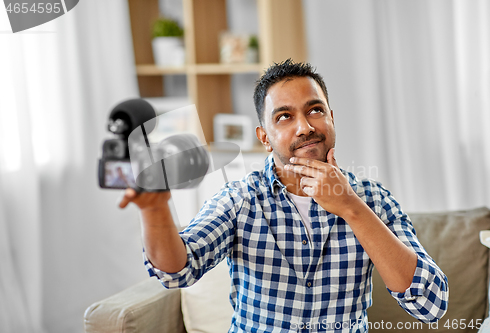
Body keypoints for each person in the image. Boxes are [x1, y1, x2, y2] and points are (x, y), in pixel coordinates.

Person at [119, 59, 448, 332]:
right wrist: (155, 208)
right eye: (284, 117)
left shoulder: (373, 200)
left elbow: (430, 304)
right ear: (265, 137)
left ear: (332, 118)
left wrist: (352, 209)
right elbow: (177, 271)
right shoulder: (240, 200)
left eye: (315, 110)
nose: (304, 127)